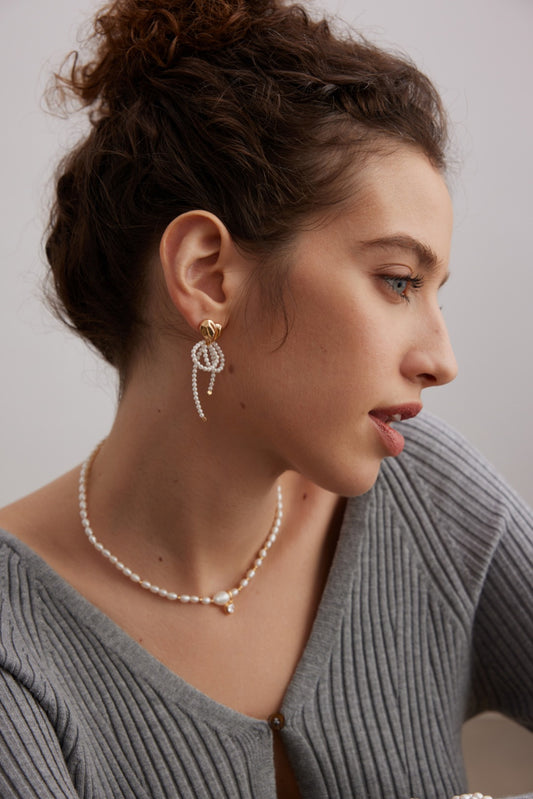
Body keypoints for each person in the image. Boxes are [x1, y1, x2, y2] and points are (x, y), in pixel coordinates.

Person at [0, 0, 531, 797]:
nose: (440, 359)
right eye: (396, 281)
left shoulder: (428, 495)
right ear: (208, 274)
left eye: (434, 292)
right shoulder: (16, 647)